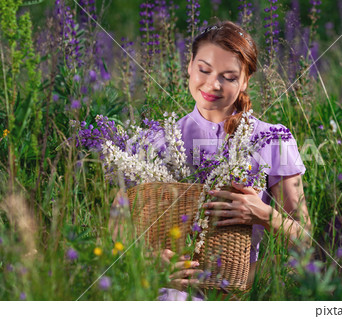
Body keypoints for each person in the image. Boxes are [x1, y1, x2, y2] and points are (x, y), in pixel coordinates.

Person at [112, 21, 311, 300]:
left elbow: (305, 241)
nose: (212, 84)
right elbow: (114, 231)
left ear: (245, 81)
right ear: (190, 66)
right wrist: (147, 259)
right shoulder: (154, 141)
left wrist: (265, 215)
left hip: (239, 294)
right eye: (204, 70)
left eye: (228, 77)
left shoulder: (273, 139)